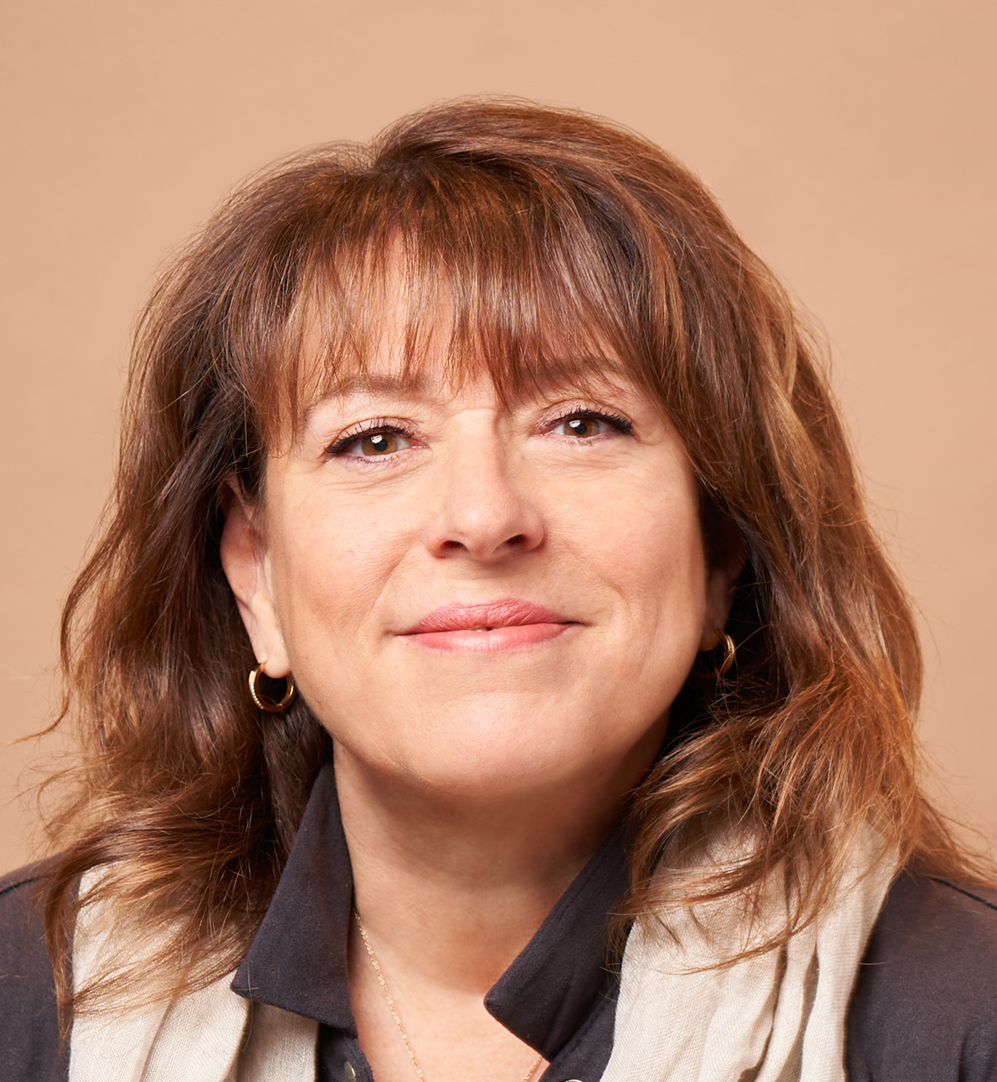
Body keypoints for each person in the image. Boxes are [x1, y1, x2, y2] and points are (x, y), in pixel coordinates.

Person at [1, 99, 994, 1082]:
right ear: (257, 573)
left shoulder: (958, 1018)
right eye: (375, 438)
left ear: (721, 544)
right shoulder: (24, 1002)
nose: (482, 516)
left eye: (581, 422)